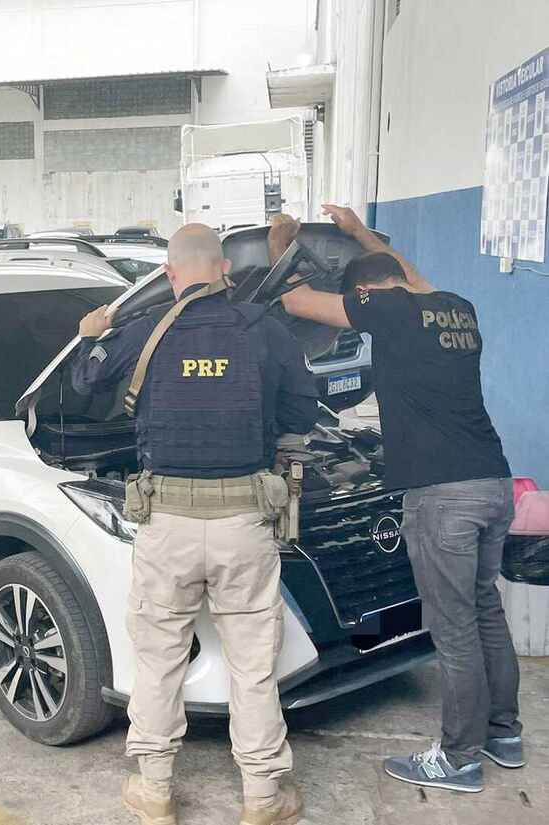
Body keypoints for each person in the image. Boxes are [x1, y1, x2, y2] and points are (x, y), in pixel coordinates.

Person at [71, 224, 318, 825]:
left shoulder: (143, 332)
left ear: (173, 273)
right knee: (253, 663)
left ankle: (155, 789)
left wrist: (89, 337)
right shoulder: (266, 331)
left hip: (167, 523)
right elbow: (302, 410)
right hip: (244, 520)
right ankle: (263, 795)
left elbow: (83, 386)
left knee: (159, 658)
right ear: (224, 271)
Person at [275, 206, 522, 794]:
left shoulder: (382, 310)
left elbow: (296, 303)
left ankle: (459, 758)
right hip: (492, 483)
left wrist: (281, 243)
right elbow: (417, 281)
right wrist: (360, 234)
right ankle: (503, 733)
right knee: (485, 609)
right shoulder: (455, 307)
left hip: (444, 496)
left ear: (364, 290)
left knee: (454, 625)